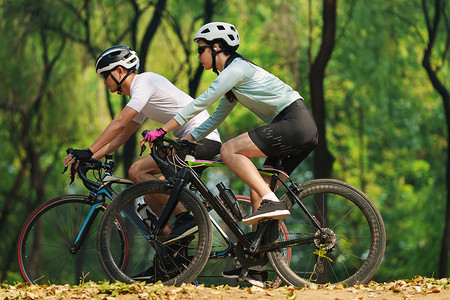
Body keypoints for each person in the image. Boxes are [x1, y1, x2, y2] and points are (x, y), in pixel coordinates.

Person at [142, 22, 318, 286]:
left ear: (216, 48)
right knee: (258, 189)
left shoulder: (236, 69)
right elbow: (213, 119)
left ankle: (273, 201)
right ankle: (257, 265)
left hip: (294, 123)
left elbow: (202, 101)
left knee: (230, 150)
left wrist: (162, 130)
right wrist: (184, 142)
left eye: (200, 50)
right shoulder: (234, 83)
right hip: (297, 127)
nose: (198, 56)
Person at [63, 45, 221, 244]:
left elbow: (119, 122)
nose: (104, 81)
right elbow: (121, 136)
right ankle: (173, 258)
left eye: (106, 75)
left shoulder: (144, 82)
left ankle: (186, 218)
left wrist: (87, 151)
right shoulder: (142, 97)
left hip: (201, 141)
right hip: (192, 143)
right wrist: (91, 158)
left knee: (136, 171)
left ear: (120, 71)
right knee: (150, 198)